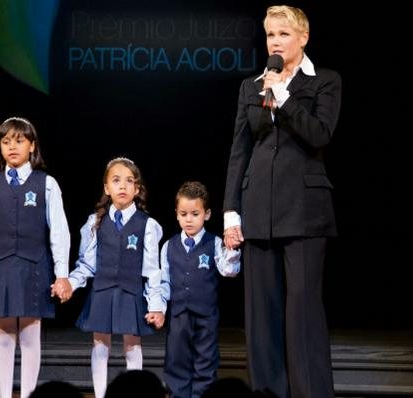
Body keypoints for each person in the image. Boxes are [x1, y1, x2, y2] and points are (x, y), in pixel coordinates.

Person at [222, 5, 342, 398]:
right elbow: (240, 150)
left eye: (283, 34)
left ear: (303, 38)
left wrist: (284, 96)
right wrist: (229, 212)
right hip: (258, 209)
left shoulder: (324, 81)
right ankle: (268, 393)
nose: (274, 41)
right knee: (261, 316)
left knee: (302, 313)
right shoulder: (249, 86)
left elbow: (320, 134)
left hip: (305, 212)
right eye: (270, 35)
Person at [0, 117, 72, 398]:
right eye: (6, 142)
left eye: (19, 140)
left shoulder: (47, 184)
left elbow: (59, 232)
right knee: (4, 335)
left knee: (30, 334)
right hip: (1, 266)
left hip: (34, 266)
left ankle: (28, 394)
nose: (12, 146)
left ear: (32, 146)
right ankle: (4, 394)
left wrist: (62, 274)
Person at [64, 157, 165, 398]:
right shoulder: (95, 222)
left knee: (132, 345)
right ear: (107, 188)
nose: (123, 186)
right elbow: (86, 263)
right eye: (116, 180)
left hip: (130, 292)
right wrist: (70, 282)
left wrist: (156, 306)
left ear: (137, 189)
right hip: (103, 291)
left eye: (129, 181)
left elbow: (152, 270)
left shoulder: (147, 225)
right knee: (100, 345)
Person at [155, 181, 241, 398]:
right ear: (176, 214)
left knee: (205, 363)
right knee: (176, 362)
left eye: (195, 213)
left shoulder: (214, 243)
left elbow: (228, 270)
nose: (189, 219)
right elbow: (163, 281)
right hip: (179, 317)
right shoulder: (169, 246)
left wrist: (231, 251)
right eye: (184, 213)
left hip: (206, 317)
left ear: (207, 214)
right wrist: (159, 308)